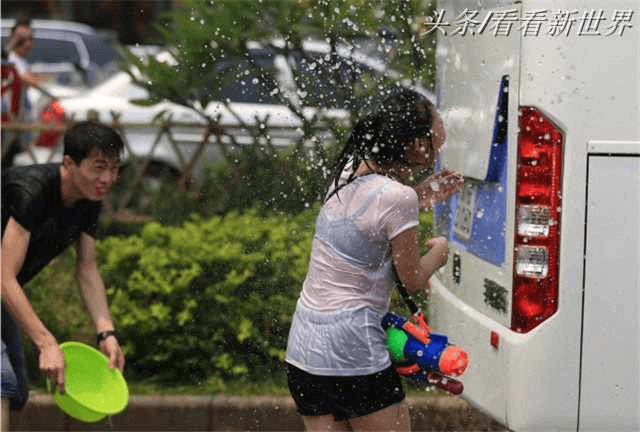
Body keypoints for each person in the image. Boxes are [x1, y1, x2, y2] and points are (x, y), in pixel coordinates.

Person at [285, 87, 464, 431]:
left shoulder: (348, 170)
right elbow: (412, 278)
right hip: (354, 352)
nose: (443, 124)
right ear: (417, 144)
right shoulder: (398, 198)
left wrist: (420, 194)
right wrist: (439, 254)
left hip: (304, 353)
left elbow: (368, 219)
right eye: (436, 118)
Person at [1, 121, 126, 431]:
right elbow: (4, 276)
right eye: (99, 167)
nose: (107, 179)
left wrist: (106, 332)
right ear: (69, 163)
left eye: (114, 168)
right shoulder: (31, 191)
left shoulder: (88, 201)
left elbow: (86, 269)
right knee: (1, 381)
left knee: (16, 391)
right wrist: (45, 342)